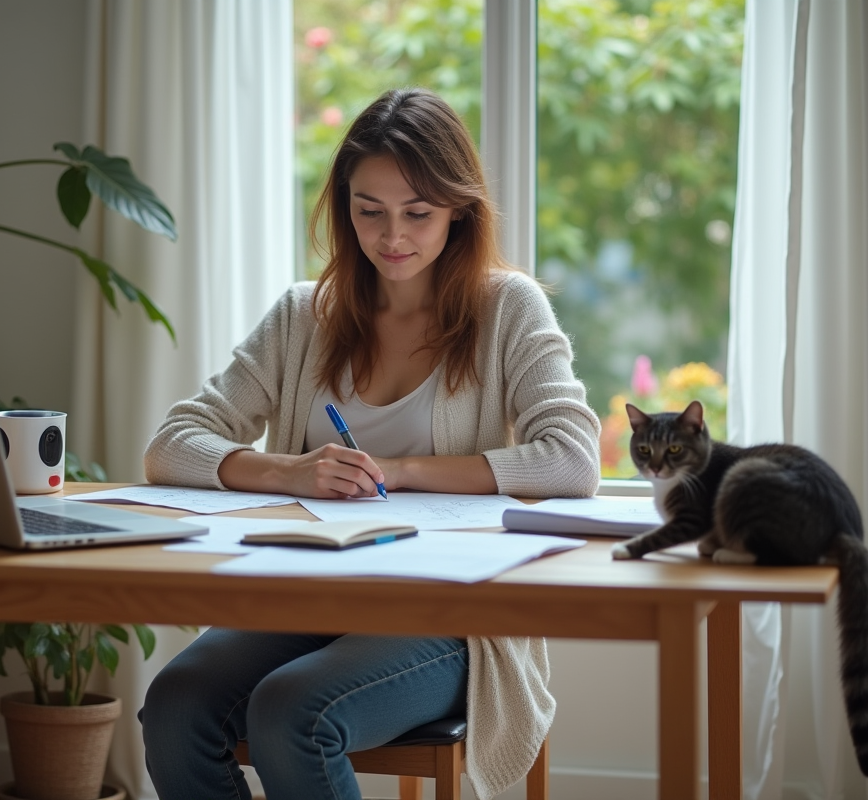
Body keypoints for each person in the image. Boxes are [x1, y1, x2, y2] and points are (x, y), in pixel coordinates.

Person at [139, 87, 601, 800]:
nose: (393, 237)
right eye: (369, 211)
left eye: (418, 213)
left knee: (293, 712)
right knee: (174, 707)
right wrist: (288, 471)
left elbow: (572, 459)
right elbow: (170, 445)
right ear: (342, 206)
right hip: (303, 599)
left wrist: (403, 469)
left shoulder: (507, 307)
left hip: (450, 621)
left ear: (458, 209)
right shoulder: (303, 315)